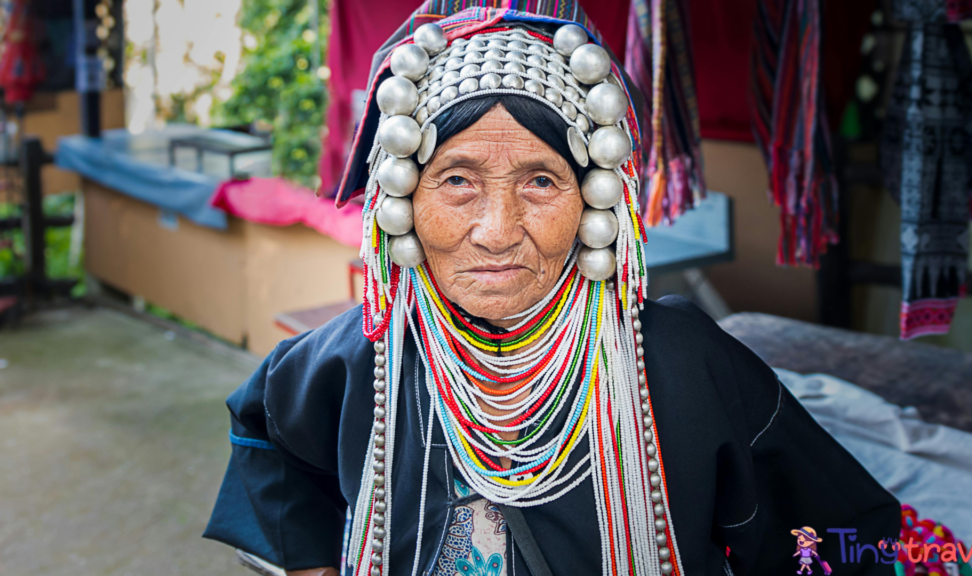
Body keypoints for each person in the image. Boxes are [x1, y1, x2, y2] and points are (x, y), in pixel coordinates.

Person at [204, 4, 900, 576]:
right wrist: (311, 564)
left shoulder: (679, 364)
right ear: (402, 200)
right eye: (456, 181)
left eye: (541, 181)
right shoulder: (364, 356)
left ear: (595, 203)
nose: (498, 231)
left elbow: (840, 536)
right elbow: (265, 434)